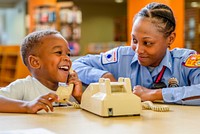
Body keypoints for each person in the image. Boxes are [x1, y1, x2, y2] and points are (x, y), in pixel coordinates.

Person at [72, 2, 200, 105]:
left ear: (170, 39)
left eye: (148, 43)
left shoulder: (185, 61)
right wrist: (104, 75)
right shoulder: (122, 57)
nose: (138, 50)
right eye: (134, 40)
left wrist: (154, 94)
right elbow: (77, 64)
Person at [0, 29, 82, 106]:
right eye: (58, 52)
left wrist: (79, 97)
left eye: (68, 54)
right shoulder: (24, 86)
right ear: (35, 62)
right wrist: (27, 106)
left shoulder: (68, 89)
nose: (67, 58)